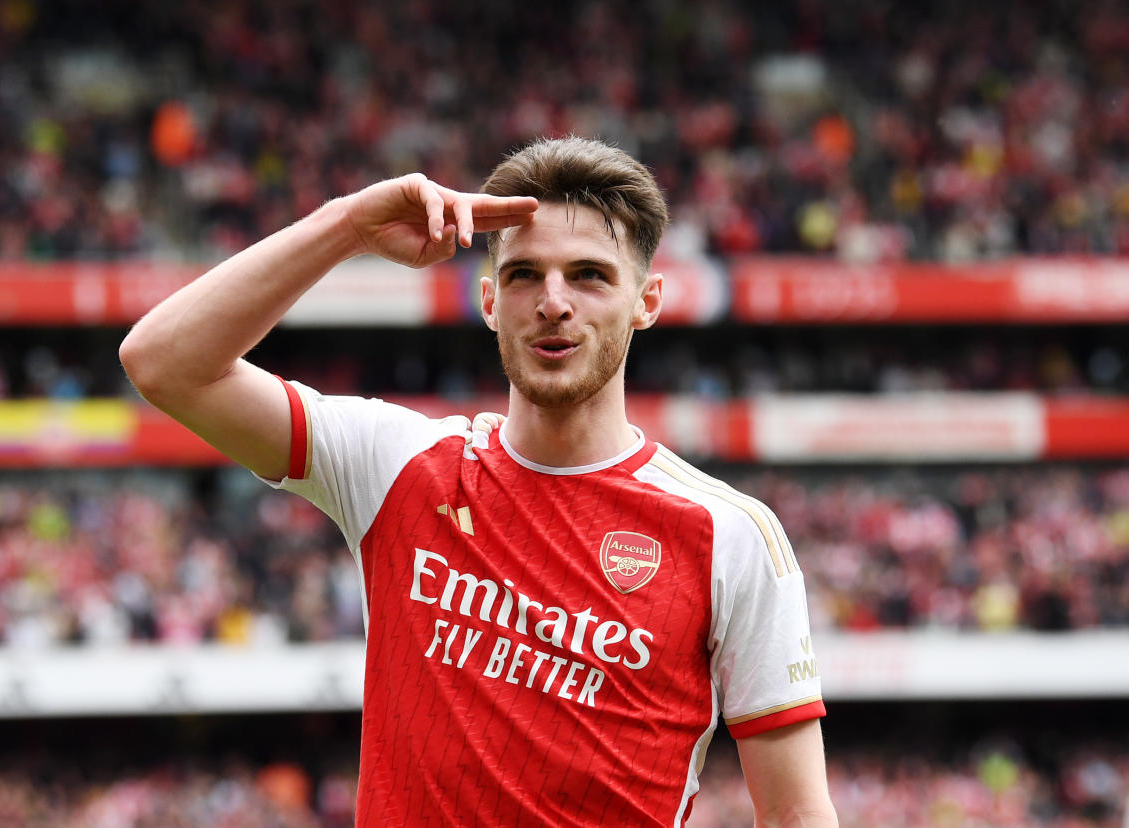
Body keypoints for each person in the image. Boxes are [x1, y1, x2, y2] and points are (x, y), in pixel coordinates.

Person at [120, 136, 837, 826]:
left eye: (589, 274)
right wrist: (346, 227)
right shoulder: (396, 464)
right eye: (525, 274)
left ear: (645, 302)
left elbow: (798, 813)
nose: (554, 300)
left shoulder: (730, 536)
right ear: (490, 301)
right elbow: (163, 362)